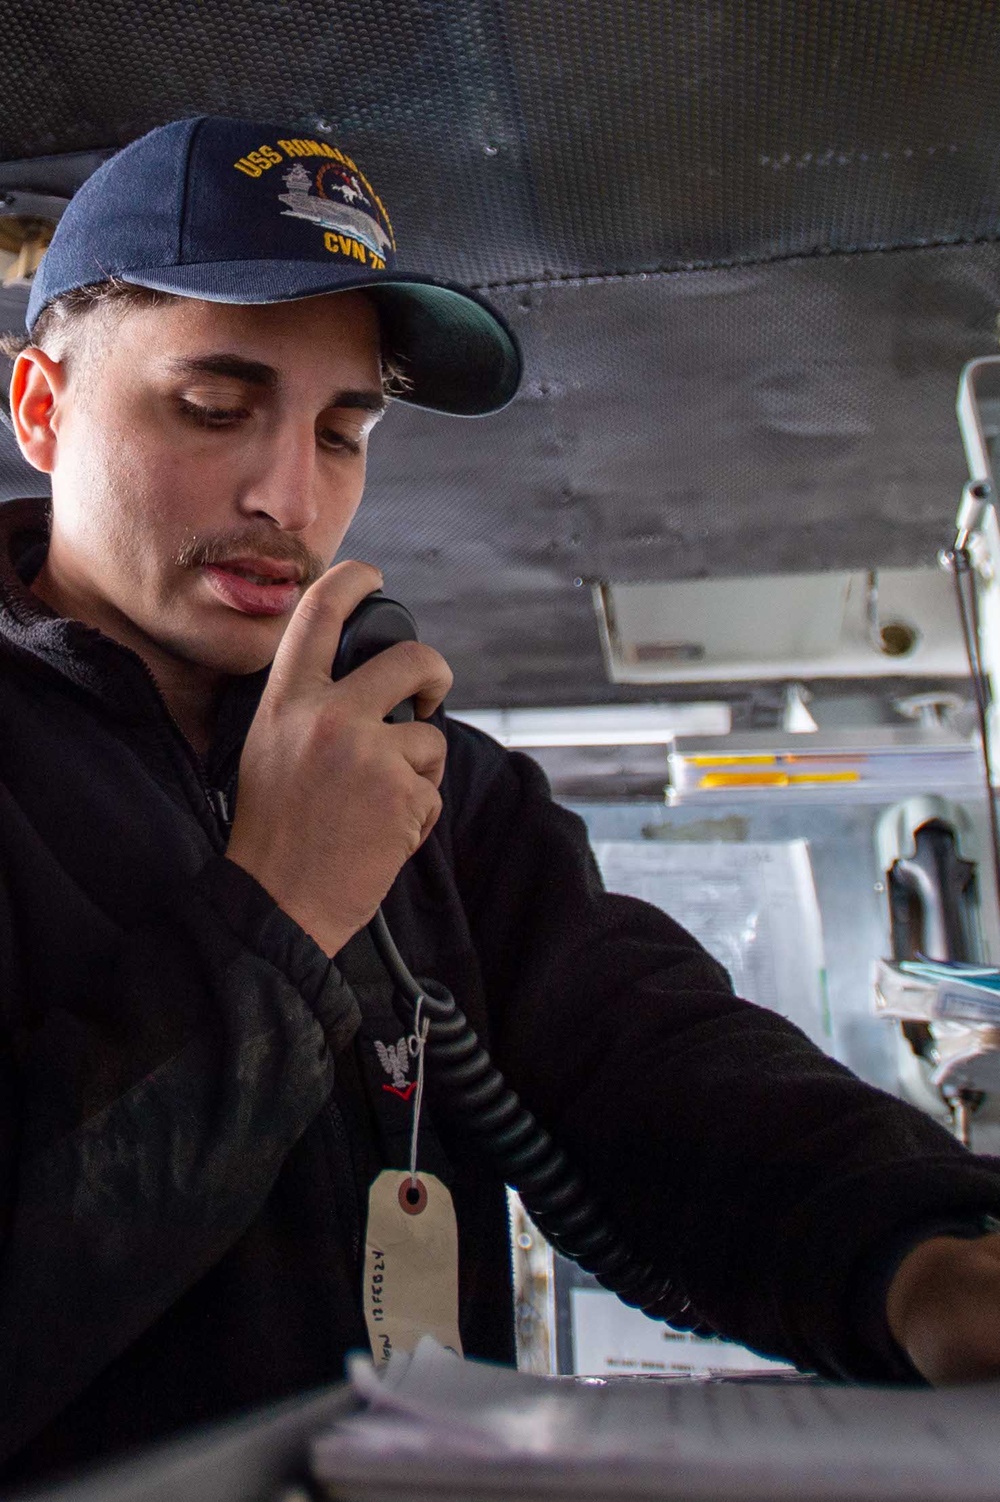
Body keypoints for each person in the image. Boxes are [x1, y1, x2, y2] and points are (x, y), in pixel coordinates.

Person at [1, 114, 1000, 1484]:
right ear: (43, 409)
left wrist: (923, 1253)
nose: (291, 496)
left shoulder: (428, 777)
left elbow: (657, 1060)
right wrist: (281, 911)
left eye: (345, 431)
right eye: (214, 407)